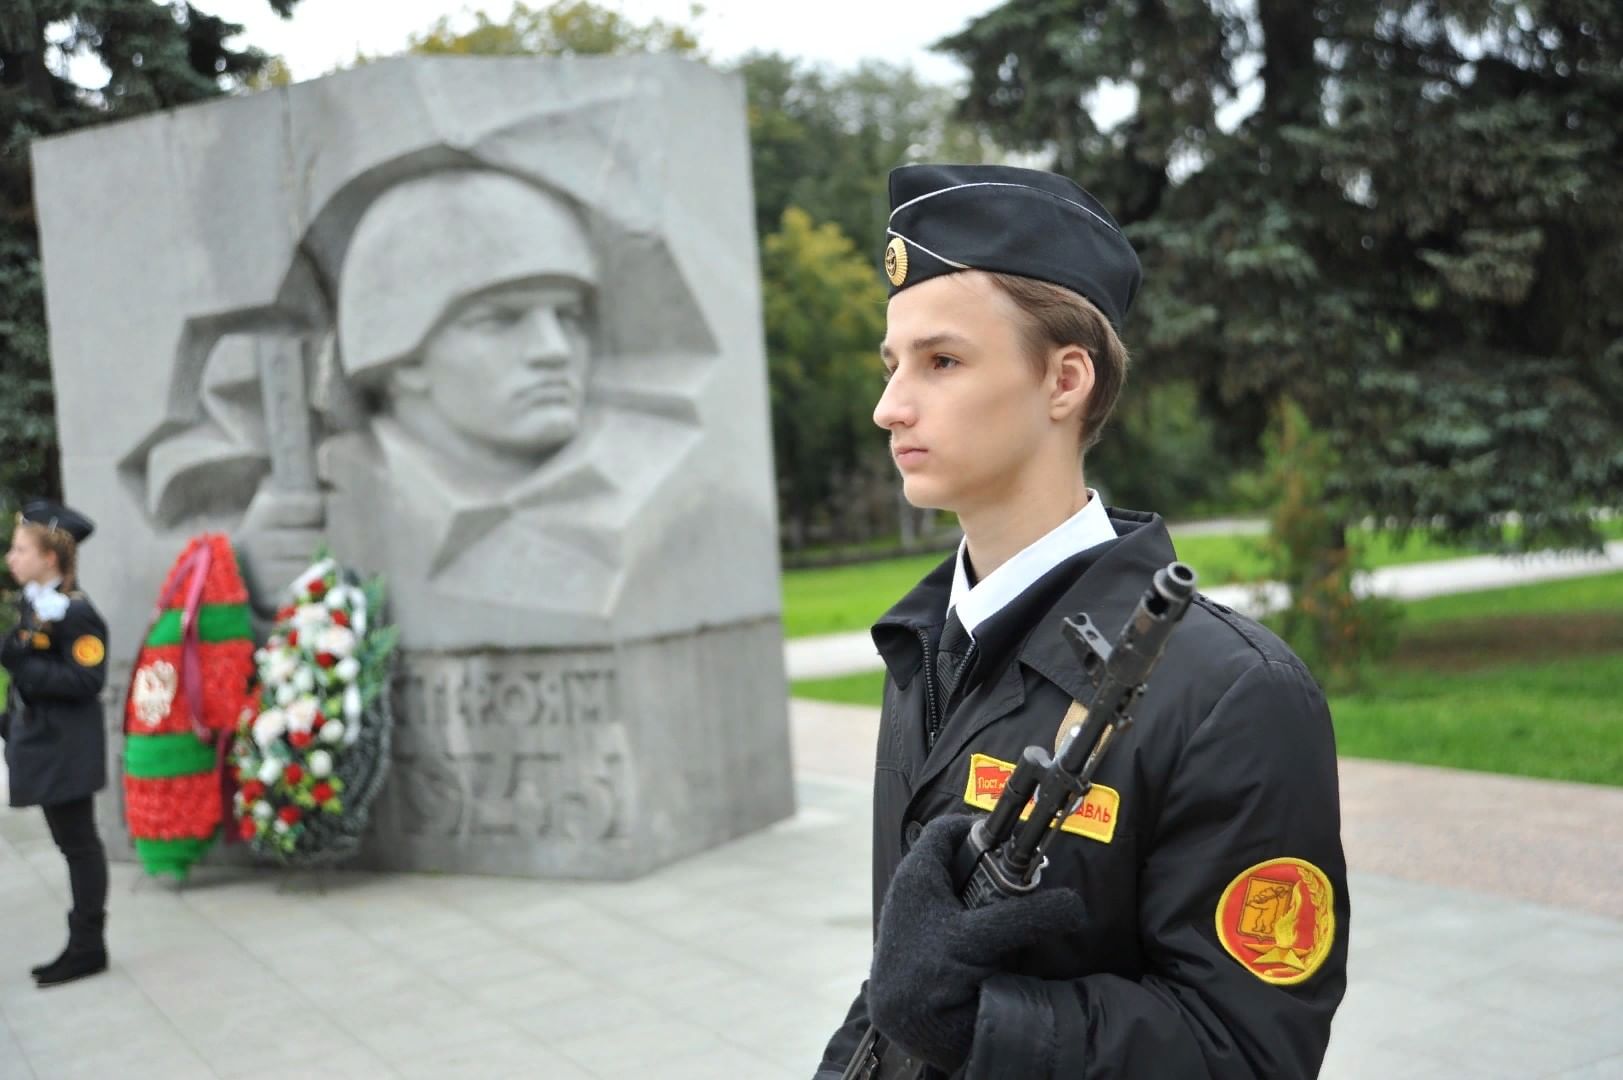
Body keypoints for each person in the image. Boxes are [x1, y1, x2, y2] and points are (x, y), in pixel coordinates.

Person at [815, 164, 1349, 1079]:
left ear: (1064, 380)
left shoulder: (1230, 694)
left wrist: (979, 1026)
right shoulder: (922, 648)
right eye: (892, 364)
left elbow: (1252, 1051)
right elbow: (902, 977)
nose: (888, 405)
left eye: (940, 361)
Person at [2, 500, 111, 988]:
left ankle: (87, 944)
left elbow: (87, 680)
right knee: (73, 845)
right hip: (45, 742)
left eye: (21, 548)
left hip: (67, 747)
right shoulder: (36, 604)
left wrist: (26, 665)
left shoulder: (76, 612)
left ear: (51, 557)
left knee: (79, 846)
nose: (11, 557)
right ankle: (85, 944)